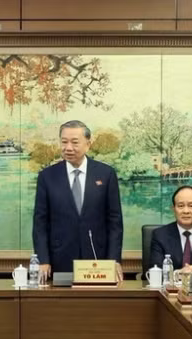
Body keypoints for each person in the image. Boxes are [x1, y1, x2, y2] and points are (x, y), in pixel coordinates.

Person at [32, 120, 124, 281]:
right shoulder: (47, 176)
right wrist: (43, 260)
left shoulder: (106, 174)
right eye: (64, 142)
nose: (68, 148)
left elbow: (115, 222)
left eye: (74, 142)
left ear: (88, 144)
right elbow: (40, 223)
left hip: (97, 258)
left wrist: (114, 260)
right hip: (59, 258)